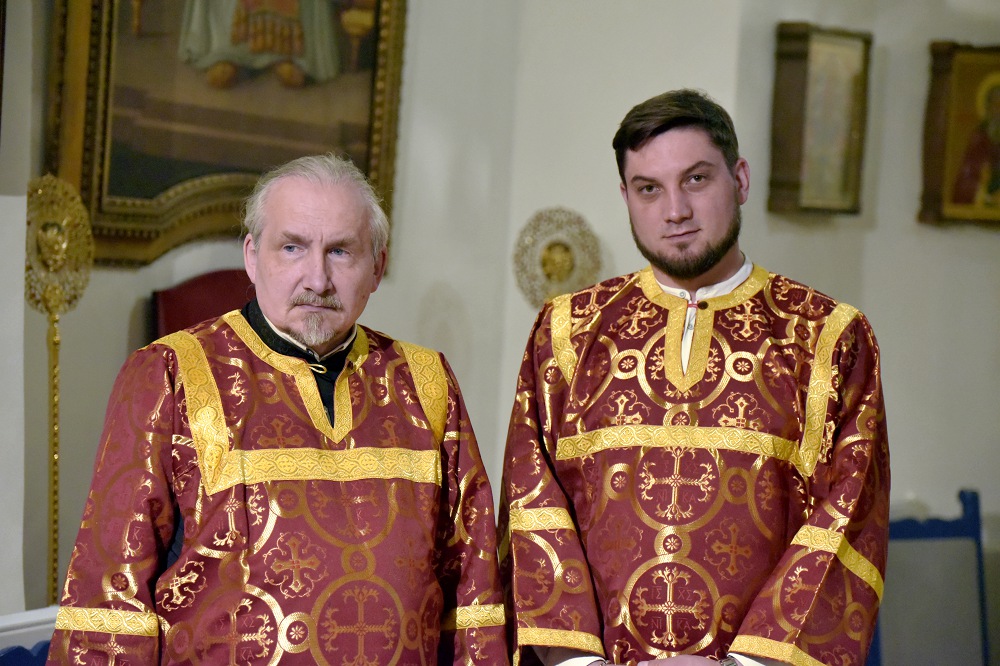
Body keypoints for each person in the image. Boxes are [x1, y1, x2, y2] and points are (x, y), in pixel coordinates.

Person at [47, 154, 508, 664]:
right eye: (292, 247)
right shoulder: (171, 374)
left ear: (377, 267)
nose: (317, 279)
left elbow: (473, 589)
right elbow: (111, 598)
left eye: (341, 252)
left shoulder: (426, 382)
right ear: (252, 256)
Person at [498, 89, 889, 666]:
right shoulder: (567, 334)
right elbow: (533, 504)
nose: (675, 210)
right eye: (648, 189)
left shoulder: (827, 337)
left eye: (697, 180)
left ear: (740, 180)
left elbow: (848, 517)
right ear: (625, 196)